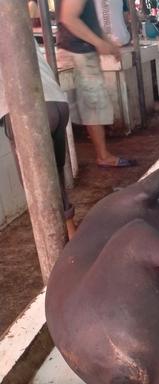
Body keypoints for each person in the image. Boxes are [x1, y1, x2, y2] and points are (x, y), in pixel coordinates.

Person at [0, 40, 76, 238]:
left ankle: (54, 250)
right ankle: (72, 236)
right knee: (55, 175)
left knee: (37, 187)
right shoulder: (11, 16)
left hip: (27, 111)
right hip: (58, 104)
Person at [57, 0, 135, 167]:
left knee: (94, 105)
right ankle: (103, 156)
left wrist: (107, 42)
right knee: (94, 104)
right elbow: (68, 18)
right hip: (78, 52)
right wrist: (99, 42)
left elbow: (92, 23)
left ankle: (102, 153)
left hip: (84, 51)